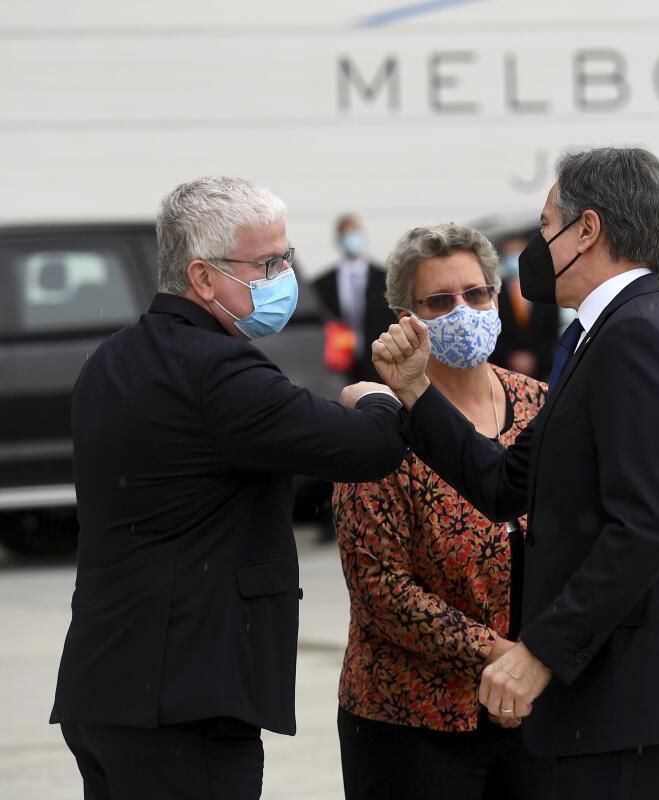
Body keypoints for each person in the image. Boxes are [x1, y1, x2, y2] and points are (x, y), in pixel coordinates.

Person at [366, 147, 659, 800]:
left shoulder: (636, 337)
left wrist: (540, 652)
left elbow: (647, 525)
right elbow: (506, 482)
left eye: (545, 229)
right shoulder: (605, 335)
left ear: (586, 231)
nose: (533, 250)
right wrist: (416, 394)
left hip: (636, 687)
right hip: (620, 690)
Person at [50, 177, 412, 800]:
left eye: (286, 258)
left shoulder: (112, 357)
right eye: (267, 263)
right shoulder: (219, 370)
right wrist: (379, 399)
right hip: (186, 699)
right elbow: (367, 448)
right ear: (204, 277)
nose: (284, 277)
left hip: (106, 683)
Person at [334, 223, 553, 800]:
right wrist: (496, 656)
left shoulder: (539, 404)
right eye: (440, 301)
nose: (464, 310)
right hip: (411, 723)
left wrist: (535, 662)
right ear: (408, 317)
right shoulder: (382, 424)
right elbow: (379, 586)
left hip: (534, 709)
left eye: (477, 294)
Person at [315, 213, 395, 382]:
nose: (352, 239)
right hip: (339, 360)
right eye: (346, 234)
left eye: (355, 233)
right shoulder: (322, 283)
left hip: (376, 360)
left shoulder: (385, 278)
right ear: (338, 239)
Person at [491, 234, 560, 379]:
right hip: (505, 371)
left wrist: (534, 359)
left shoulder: (544, 290)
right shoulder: (496, 293)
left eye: (518, 252)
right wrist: (510, 358)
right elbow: (494, 332)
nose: (514, 258)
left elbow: (552, 332)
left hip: (541, 372)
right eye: (509, 253)